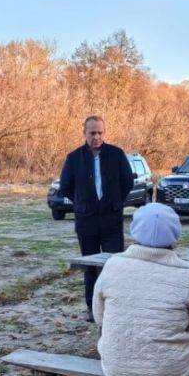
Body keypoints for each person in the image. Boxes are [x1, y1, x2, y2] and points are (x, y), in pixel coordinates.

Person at [92, 203, 189, 376]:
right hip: (168, 365)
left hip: (116, 359)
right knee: (165, 364)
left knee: (145, 357)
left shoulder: (113, 265)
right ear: (176, 234)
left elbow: (99, 316)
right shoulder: (186, 275)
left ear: (134, 231)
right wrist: (178, 336)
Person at [58, 116, 134, 321]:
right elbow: (65, 186)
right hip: (86, 221)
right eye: (92, 133)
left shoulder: (116, 154)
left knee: (114, 264)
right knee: (90, 266)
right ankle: (92, 307)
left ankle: (113, 306)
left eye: (100, 132)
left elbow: (127, 181)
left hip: (111, 219)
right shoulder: (74, 158)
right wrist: (81, 202)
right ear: (84, 133)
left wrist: (115, 201)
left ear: (105, 132)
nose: (96, 137)